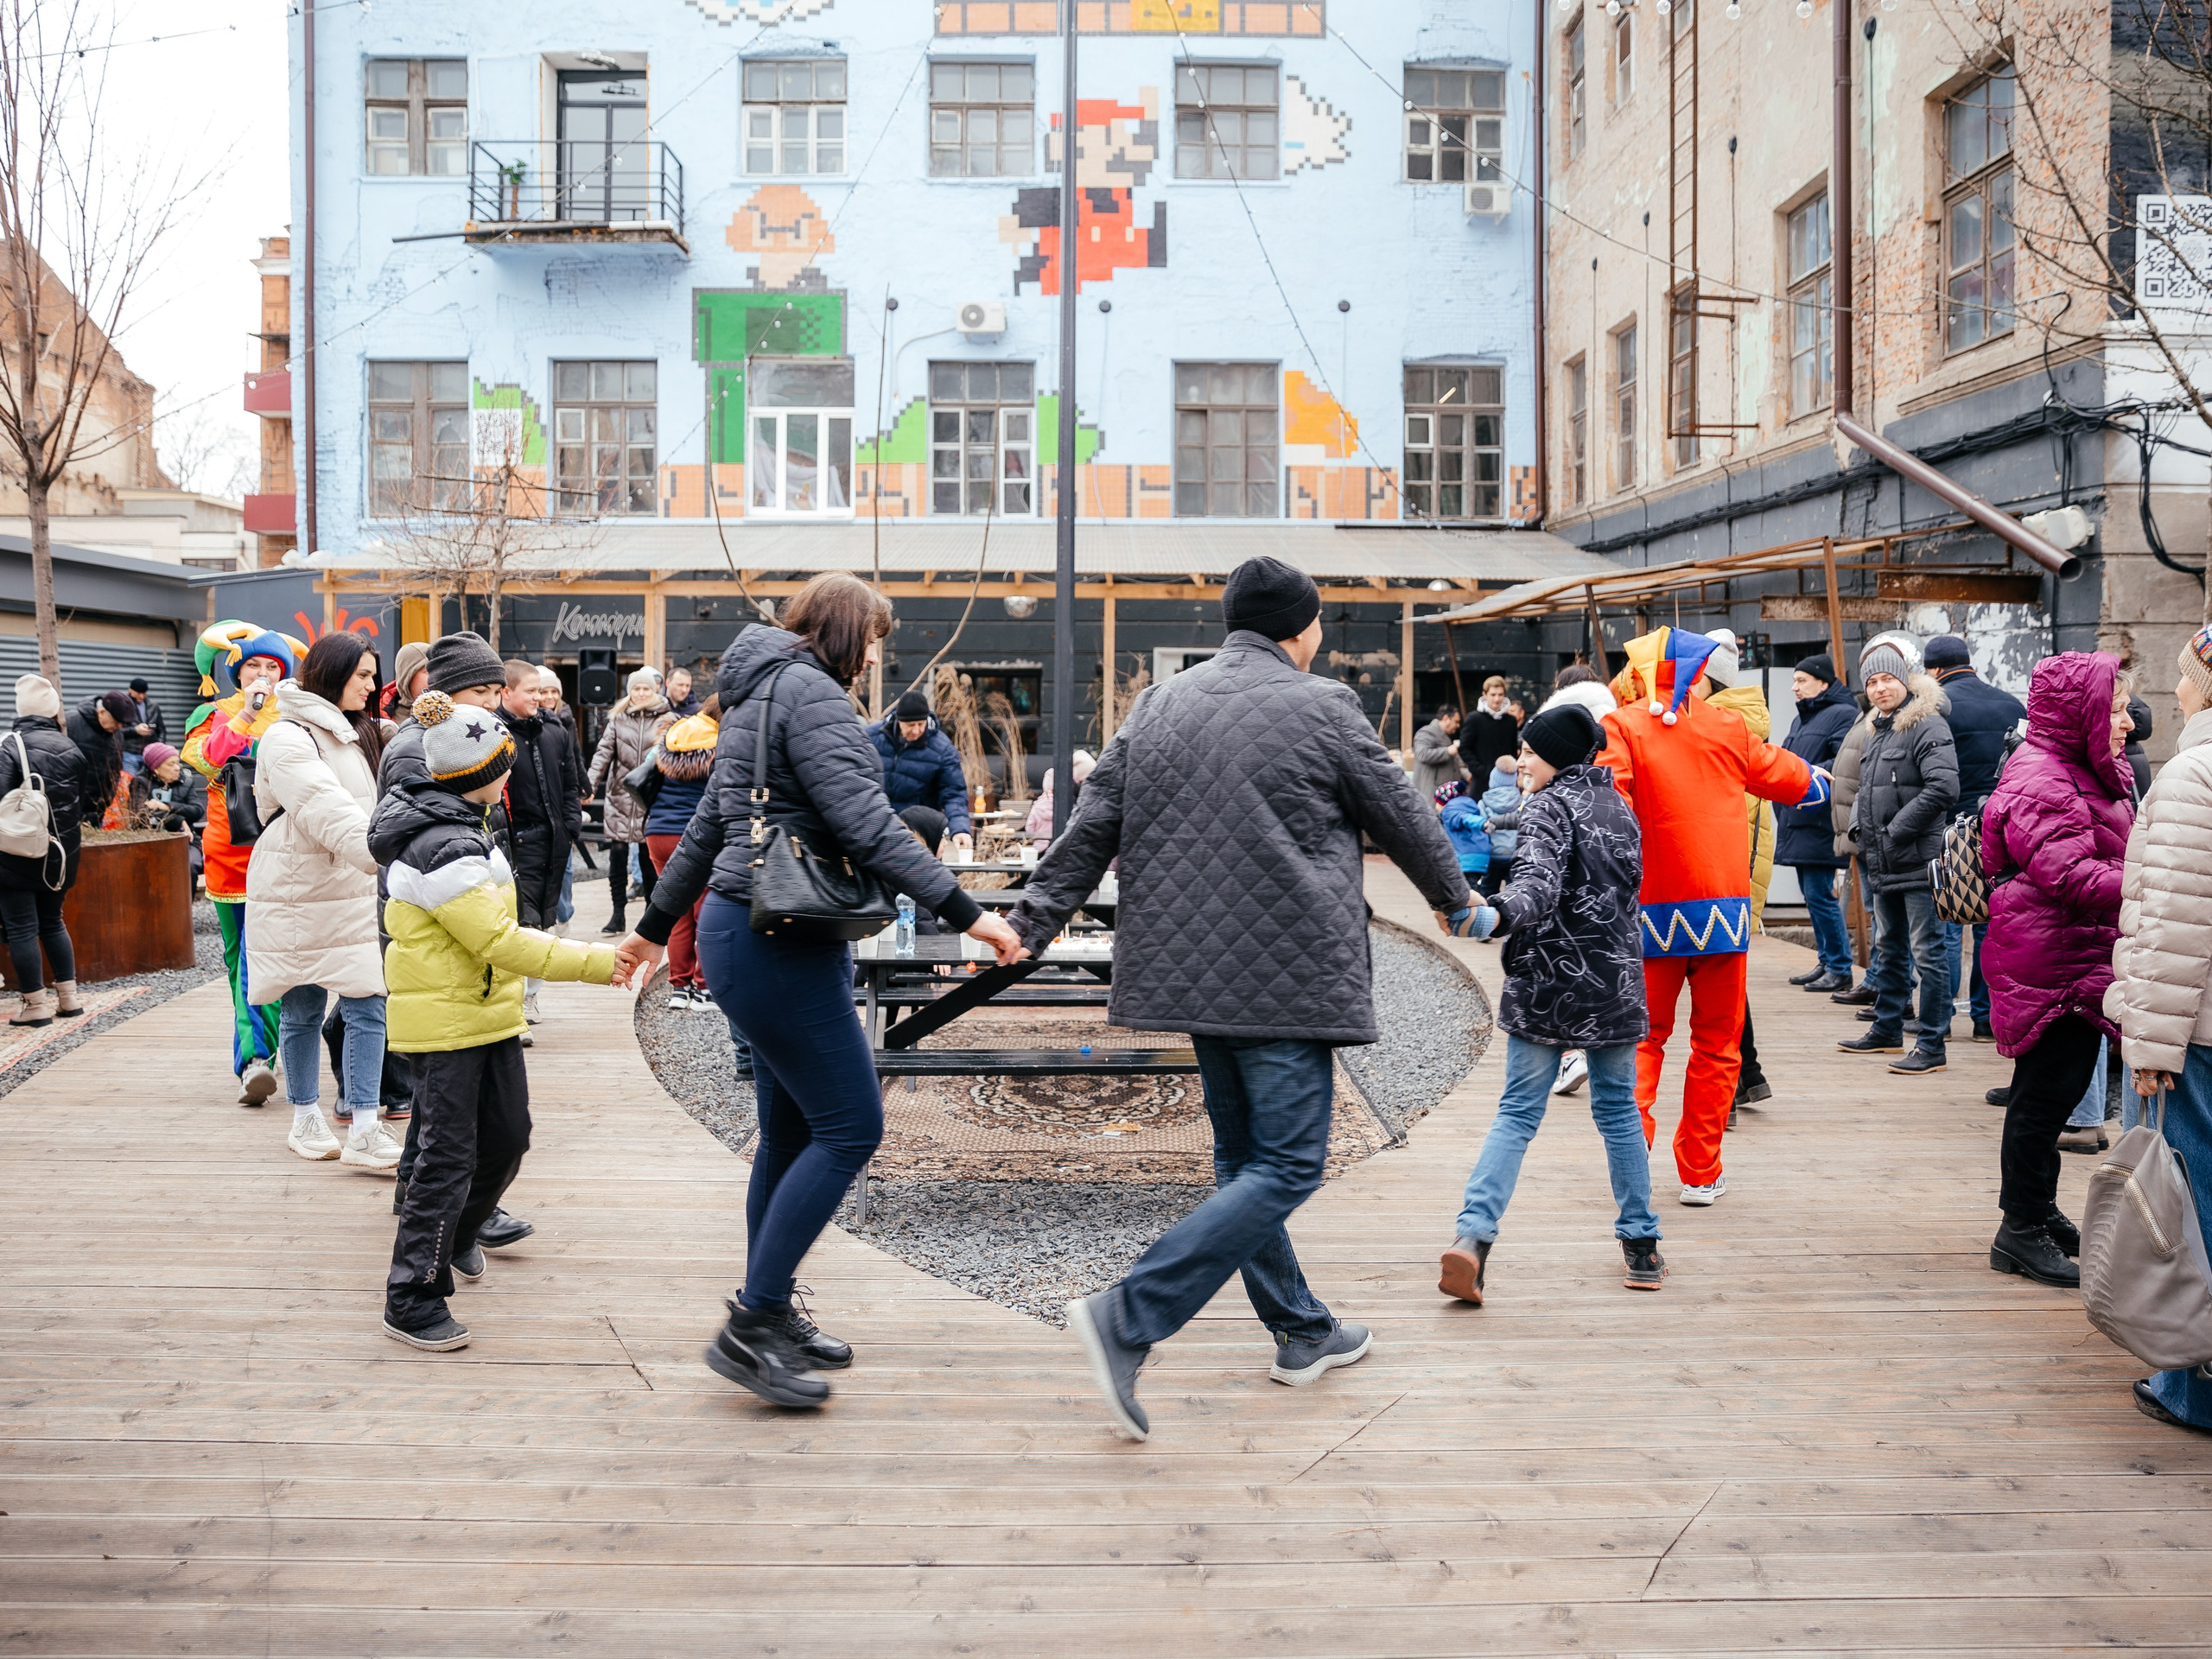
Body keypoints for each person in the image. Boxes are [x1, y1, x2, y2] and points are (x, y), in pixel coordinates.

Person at [1005, 556, 1470, 1442]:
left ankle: (1301, 1330)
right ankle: (1126, 1318)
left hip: (1191, 972)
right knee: (1287, 1165)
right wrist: (1456, 898)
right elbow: (1403, 818)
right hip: (1286, 972)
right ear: (1299, 626)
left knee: (1242, 1161)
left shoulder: (1158, 704)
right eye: (1320, 619)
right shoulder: (1325, 706)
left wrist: (1029, 921)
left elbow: (1092, 820)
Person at [616, 572, 1026, 1410]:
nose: (877, 656)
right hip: (780, 937)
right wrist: (967, 913)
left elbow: (706, 828)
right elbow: (866, 825)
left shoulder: (758, 692)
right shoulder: (809, 697)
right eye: (874, 637)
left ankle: (771, 1308)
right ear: (846, 631)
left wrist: (653, 928)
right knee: (850, 1125)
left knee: (789, 1131)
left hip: (751, 929)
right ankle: (753, 1317)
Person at [375, 691, 633, 1351]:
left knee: (509, 1136)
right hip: (446, 1023)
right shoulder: (446, 848)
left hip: (485, 1014)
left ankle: (456, 1237)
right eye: (504, 762)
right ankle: (412, 1295)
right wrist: (600, 963)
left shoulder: (467, 824)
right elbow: (502, 941)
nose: (511, 771)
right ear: (479, 773)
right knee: (447, 1157)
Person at [1597, 626, 1826, 1206]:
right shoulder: (1727, 726)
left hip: (1650, 908)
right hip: (1722, 909)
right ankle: (1701, 1172)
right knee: (1718, 1042)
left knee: (1643, 1040)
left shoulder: (1622, 727)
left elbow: (1608, 800)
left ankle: (1634, 1163)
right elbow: (1786, 776)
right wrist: (1817, 782)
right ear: (1698, 674)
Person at [1438, 702, 1658, 1301]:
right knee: (1618, 1115)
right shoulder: (1620, 807)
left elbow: (1535, 886)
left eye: (1531, 751)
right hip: (1613, 980)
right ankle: (1641, 1247)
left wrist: (1491, 915)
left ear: (1556, 755)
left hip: (1549, 983)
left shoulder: (1547, 808)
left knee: (1517, 1113)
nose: (1521, 760)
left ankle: (1473, 1239)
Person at [1980, 652, 2135, 1290]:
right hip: (2054, 962)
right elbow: (2069, 875)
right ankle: (2018, 1230)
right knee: (2043, 1101)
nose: (2126, 723)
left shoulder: (2083, 767)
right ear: (2083, 713)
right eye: (2117, 710)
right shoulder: (2043, 776)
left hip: (2073, 953)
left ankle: (2037, 1209)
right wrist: (2156, 883)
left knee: (2051, 1094)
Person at [375, 632, 533, 1249]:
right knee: (449, 1118)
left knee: (449, 1111)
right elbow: (427, 848)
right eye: (480, 690)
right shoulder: (427, 751)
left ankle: (435, 1207)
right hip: (441, 935)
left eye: (497, 691)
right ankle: (450, 1221)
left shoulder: (462, 739)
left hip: (461, 922)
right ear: (439, 691)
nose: (491, 703)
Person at [2105, 621, 2212, 1436]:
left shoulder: (2192, 775)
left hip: (2202, 1034)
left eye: (2181, 676)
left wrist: (2148, 1045)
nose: (2171, 694)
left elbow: (2172, 923)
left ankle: (2194, 1386)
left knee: (2197, 1210)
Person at [245, 632, 399, 1172]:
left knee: (368, 1000)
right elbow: (322, 803)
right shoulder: (288, 736)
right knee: (303, 1000)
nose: (371, 684)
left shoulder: (367, 732)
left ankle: (364, 1124)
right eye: (361, 674)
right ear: (331, 674)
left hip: (354, 884)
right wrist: (383, 857)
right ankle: (304, 1115)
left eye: (372, 674)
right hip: (298, 887)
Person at [181, 621, 305, 1104]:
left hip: (283, 849)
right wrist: (245, 719)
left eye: (271, 667)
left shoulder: (298, 717)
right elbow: (209, 761)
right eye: (252, 665)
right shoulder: (211, 713)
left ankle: (256, 1057)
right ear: (236, 671)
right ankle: (258, 1053)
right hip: (227, 852)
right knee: (239, 959)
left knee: (264, 955)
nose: (261, 675)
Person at [1832, 639, 1960, 1077]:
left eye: (1888, 678)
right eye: (1872, 681)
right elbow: (1869, 792)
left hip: (1918, 859)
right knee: (1890, 949)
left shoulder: (1928, 725)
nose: (1880, 688)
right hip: (1883, 859)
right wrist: (1858, 831)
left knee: (1928, 953)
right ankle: (1887, 1028)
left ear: (1904, 679)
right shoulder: (1877, 727)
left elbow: (1943, 788)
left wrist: (1894, 830)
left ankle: (1931, 1044)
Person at [1923, 635, 2026, 1045]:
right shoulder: (2011, 704)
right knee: (1989, 924)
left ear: (1933, 670)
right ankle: (1985, 1019)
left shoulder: (1937, 706)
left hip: (1950, 826)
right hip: (1998, 825)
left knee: (1950, 920)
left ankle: (1942, 1017)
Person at [1697, 632, 1779, 1111]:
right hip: (1726, 875)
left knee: (1718, 991)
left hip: (1720, 877)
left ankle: (1726, 1093)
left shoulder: (1722, 727)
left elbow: (1738, 819)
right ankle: (1747, 1075)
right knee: (1724, 984)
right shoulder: (1735, 720)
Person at [1536, 667, 1619, 1100]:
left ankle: (1572, 1051)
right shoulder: (1621, 726)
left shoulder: (1556, 736)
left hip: (1567, 882)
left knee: (1565, 958)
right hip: (1619, 891)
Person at [0, 674, 87, 1027]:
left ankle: (35, 1006)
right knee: (53, 921)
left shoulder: (10, 746)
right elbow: (86, 801)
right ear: (52, 710)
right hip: (62, 855)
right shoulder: (72, 748)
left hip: (18, 851)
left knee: (21, 927)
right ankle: (69, 999)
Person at [498, 660, 582, 1027]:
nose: (539, 697)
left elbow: (571, 780)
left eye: (541, 690)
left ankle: (529, 997)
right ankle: (517, 1005)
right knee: (521, 925)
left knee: (542, 925)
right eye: (530, 691)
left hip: (553, 843)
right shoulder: (494, 732)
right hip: (515, 843)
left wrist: (571, 826)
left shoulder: (555, 729)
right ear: (507, 692)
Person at [1775, 653, 1859, 996]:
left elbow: (1840, 765)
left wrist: (1802, 775)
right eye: (1794, 681)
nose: (1794, 687)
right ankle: (1827, 961)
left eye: (1801, 681)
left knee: (1820, 895)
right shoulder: (1804, 719)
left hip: (1821, 821)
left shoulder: (1842, 714)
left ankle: (1840, 967)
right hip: (1799, 818)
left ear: (1823, 683)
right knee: (1812, 896)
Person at [641, 706, 718, 1012]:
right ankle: (704, 988)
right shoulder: (722, 742)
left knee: (676, 911)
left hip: (658, 833)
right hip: (693, 836)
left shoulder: (671, 736)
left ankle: (679, 987)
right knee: (705, 913)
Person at [586, 670, 669, 936]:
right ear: (630, 692)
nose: (641, 694)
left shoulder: (668, 719)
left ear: (654, 690)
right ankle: (618, 913)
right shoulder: (618, 719)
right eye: (636, 689)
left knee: (648, 858)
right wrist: (589, 785)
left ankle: (648, 916)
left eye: (646, 689)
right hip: (621, 795)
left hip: (650, 797)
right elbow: (603, 753)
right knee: (618, 855)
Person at [868, 688, 976, 854]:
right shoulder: (872, 737)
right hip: (876, 828)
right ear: (899, 721)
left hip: (918, 835)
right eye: (911, 725)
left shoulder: (942, 748)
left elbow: (954, 793)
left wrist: (960, 828)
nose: (917, 730)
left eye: (921, 724)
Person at [125, 741, 207, 883]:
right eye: (170, 764)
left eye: (177, 763)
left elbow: (197, 811)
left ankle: (186, 904)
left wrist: (167, 806)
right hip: (150, 840)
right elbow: (139, 814)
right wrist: (179, 820)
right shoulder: (141, 783)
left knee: (191, 865)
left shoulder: (185, 782)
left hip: (186, 839)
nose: (177, 768)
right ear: (156, 768)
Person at [67, 689, 135, 824]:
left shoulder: (117, 733)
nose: (120, 727)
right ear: (102, 712)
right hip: (70, 806)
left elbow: (116, 768)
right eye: (117, 722)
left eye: (123, 724)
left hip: (98, 809)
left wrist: (109, 797)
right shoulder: (70, 723)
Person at [1475, 754, 1522, 899]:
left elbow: (1481, 828)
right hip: (1513, 855)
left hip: (1492, 855)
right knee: (1514, 892)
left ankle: (1489, 917)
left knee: (1487, 892)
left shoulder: (1483, 803)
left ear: (1493, 780)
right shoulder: (1520, 801)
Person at [1023, 750, 1096, 844]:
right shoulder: (1073, 803)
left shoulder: (1039, 804)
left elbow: (1030, 828)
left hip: (1040, 847)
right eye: (1084, 781)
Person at [1458, 676, 1520, 779]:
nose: (1497, 699)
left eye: (1500, 694)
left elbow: (1513, 749)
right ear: (1484, 694)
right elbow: (1464, 748)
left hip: (1506, 778)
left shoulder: (1511, 721)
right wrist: (1481, 770)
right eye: (1493, 694)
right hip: (1481, 780)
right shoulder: (1474, 718)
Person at [1436, 779, 1491, 887]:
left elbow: (1464, 818)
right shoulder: (1469, 806)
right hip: (1481, 857)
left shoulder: (1450, 811)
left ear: (1444, 801)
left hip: (1466, 860)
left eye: (1437, 801)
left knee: (1467, 892)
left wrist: (1482, 823)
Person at [1410, 705, 1466, 799]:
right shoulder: (1426, 732)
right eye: (1456, 721)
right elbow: (1423, 754)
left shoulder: (1444, 735)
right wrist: (1447, 751)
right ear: (1446, 718)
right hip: (1431, 796)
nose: (1458, 725)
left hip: (1442, 796)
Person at [120, 677, 166, 775]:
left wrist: (159, 748)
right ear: (130, 689)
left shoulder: (153, 706)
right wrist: (135, 730)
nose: (141, 696)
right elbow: (116, 731)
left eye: (144, 693)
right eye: (138, 693)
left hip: (150, 754)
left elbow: (161, 729)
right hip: (130, 753)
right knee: (129, 786)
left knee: (148, 787)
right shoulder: (123, 706)